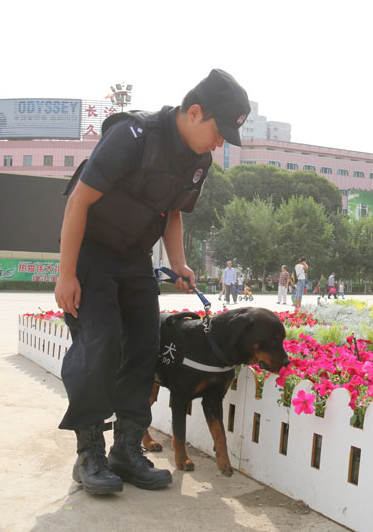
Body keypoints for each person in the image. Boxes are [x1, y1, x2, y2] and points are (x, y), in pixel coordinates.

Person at [54, 69, 250, 495]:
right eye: (218, 132)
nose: (220, 144)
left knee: (145, 346)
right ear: (195, 112)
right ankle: (89, 454)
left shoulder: (198, 161)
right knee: (101, 341)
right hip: (91, 251)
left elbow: (173, 211)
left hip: (134, 258)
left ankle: (125, 451)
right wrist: (67, 273)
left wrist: (178, 262)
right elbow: (79, 201)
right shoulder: (134, 135)